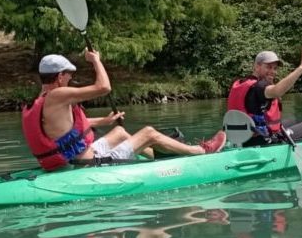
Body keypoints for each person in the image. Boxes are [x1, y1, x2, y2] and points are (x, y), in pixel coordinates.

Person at [22, 50, 226, 171]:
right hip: (85, 163)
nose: (70, 79)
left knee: (120, 132)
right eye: (68, 75)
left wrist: (103, 121)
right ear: (59, 76)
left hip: (74, 158)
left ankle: (159, 154)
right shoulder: (59, 94)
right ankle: (200, 152)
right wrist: (96, 60)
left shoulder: (40, 99)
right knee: (148, 132)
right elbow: (104, 87)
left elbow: (61, 130)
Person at [227, 47, 302, 146]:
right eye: (268, 67)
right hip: (262, 140)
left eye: (275, 68)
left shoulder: (242, 83)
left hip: (244, 139)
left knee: (294, 121)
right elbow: (277, 91)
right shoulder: (259, 87)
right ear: (257, 66)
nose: (273, 72)